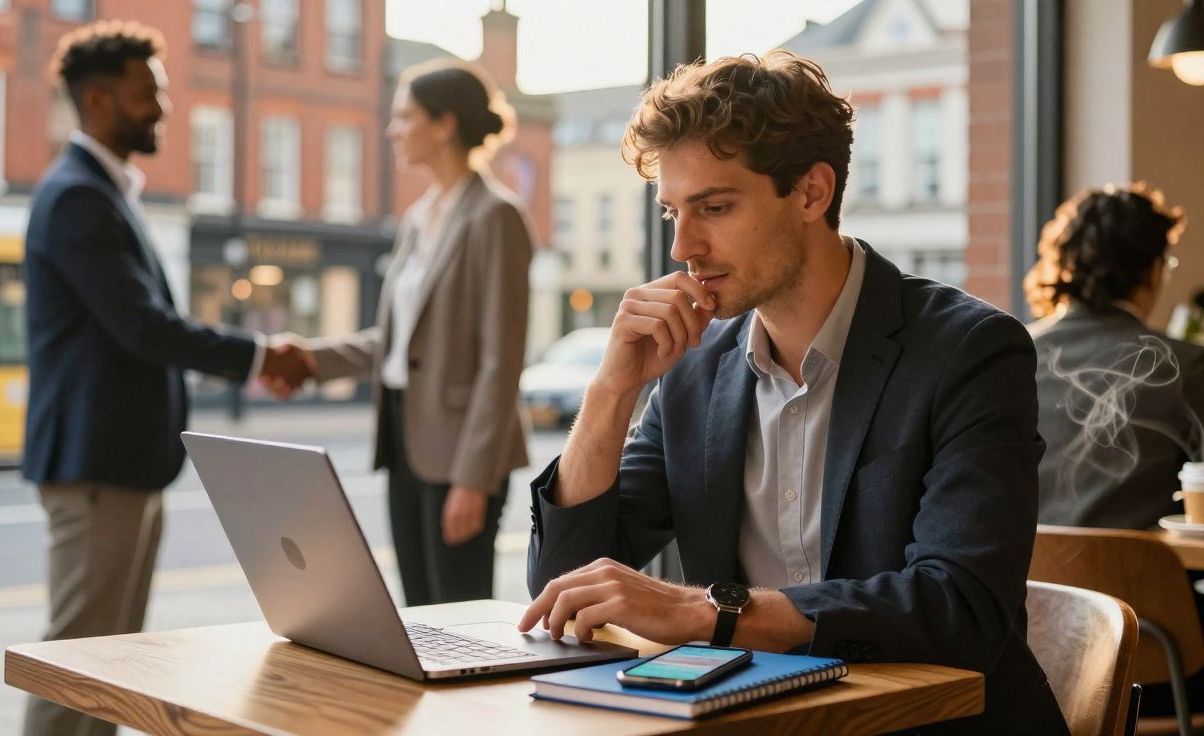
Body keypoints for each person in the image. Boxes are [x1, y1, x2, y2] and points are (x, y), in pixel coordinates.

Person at [515, 50, 1067, 733]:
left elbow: (960, 606)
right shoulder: (694, 367)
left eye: (714, 207)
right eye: (672, 212)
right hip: (755, 721)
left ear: (811, 193)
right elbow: (565, 583)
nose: (683, 246)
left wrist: (704, 611)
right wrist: (611, 389)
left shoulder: (968, 351)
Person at [21, 21, 311, 736]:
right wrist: (260, 356)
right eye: (146, 92)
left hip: (119, 462)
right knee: (78, 659)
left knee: (113, 662)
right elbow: (144, 327)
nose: (162, 107)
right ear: (97, 100)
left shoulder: (102, 191)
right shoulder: (78, 196)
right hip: (95, 464)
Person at [275, 60, 533, 606]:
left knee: (459, 612)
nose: (393, 130)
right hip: (404, 437)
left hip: (461, 450)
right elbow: (401, 342)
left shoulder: (496, 216)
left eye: (405, 116)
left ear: (444, 125)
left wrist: (472, 479)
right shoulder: (419, 218)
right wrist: (312, 360)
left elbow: (501, 360)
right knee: (417, 612)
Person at [1026, 182, 1201, 531]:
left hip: (1024, 567)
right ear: (1154, 271)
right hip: (1140, 568)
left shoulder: (1012, 353)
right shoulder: (1187, 366)